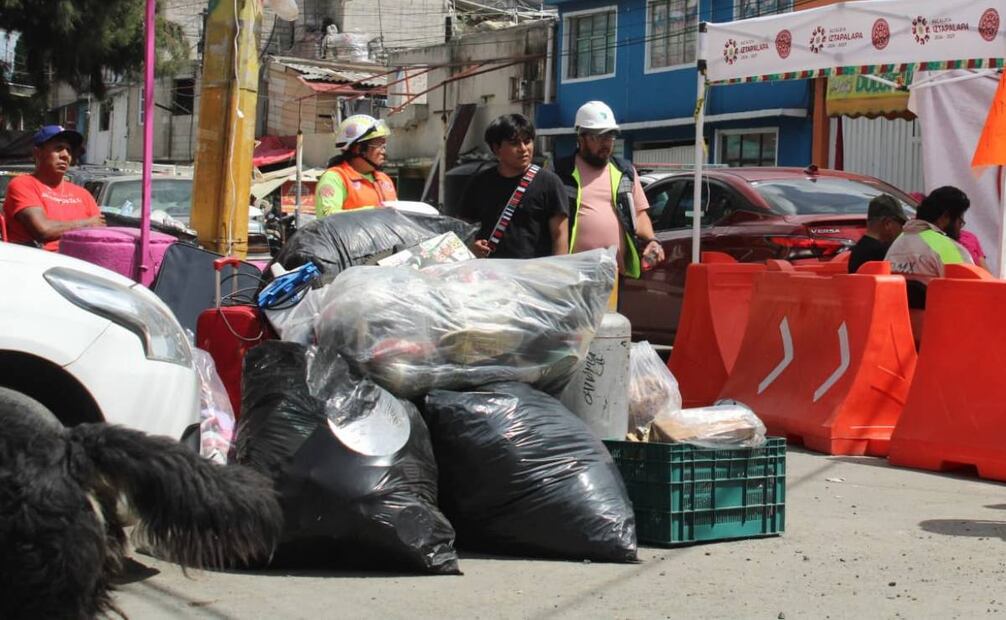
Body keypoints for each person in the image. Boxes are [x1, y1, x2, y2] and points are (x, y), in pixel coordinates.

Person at [553, 101, 664, 278]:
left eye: (610, 137)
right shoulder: (559, 172)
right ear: (581, 138)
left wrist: (652, 240)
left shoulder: (625, 171)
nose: (606, 143)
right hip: (571, 275)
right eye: (598, 137)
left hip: (613, 274)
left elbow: (639, 215)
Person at [459, 114, 568, 259]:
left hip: (534, 276)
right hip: (490, 275)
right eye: (514, 143)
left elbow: (560, 235)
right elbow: (462, 228)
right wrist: (471, 247)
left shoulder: (549, 183)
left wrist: (556, 275)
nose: (523, 149)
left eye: (527, 141)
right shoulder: (479, 183)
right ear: (496, 148)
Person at [2, 125, 104, 251]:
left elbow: (101, 231)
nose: (65, 155)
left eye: (69, 150)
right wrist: (87, 223)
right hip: (39, 264)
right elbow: (43, 230)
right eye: (58, 148)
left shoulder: (83, 194)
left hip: (81, 263)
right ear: (37, 153)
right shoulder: (23, 184)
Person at [885, 185, 974, 286]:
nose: (960, 229)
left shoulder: (896, 245)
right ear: (945, 217)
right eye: (960, 222)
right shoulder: (950, 249)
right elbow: (971, 291)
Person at [315, 114, 397, 217]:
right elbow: (327, 218)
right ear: (359, 149)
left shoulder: (384, 180)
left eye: (384, 145)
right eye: (378, 145)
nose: (383, 151)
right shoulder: (335, 178)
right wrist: (373, 212)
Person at [847, 194, 907, 273]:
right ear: (887, 223)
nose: (903, 229)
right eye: (902, 224)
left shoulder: (854, 252)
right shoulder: (888, 254)